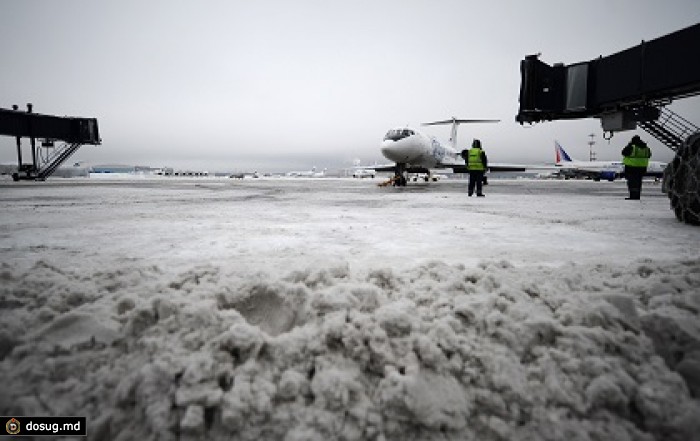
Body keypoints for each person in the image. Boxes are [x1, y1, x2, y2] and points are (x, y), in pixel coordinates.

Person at [621, 135, 651, 200]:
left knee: (632, 182)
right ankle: (637, 196)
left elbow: (624, 152)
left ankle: (632, 196)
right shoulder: (646, 148)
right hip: (642, 168)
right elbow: (649, 155)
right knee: (638, 182)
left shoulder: (632, 147)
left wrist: (629, 145)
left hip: (631, 167)